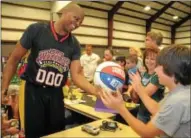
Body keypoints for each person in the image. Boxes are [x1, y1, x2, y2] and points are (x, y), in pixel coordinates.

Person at [1, 4, 100, 138]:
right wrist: (3, 88)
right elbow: (14, 59)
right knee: (34, 133)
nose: (77, 24)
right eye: (76, 18)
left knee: (57, 133)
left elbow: (76, 75)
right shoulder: (36, 30)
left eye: (80, 22)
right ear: (65, 12)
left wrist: (96, 91)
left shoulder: (74, 44)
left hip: (56, 94)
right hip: (33, 91)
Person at [99, 45, 190, 137]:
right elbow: (157, 109)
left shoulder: (177, 101)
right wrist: (139, 89)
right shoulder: (181, 92)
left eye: (159, 66)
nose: (156, 69)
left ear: (172, 70)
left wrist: (120, 108)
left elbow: (147, 132)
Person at [130, 47, 164, 123]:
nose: (149, 61)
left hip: (154, 115)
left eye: (152, 59)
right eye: (147, 58)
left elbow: (145, 94)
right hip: (141, 113)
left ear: (158, 61)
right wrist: (135, 92)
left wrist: (136, 87)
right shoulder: (144, 74)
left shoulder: (158, 76)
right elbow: (135, 98)